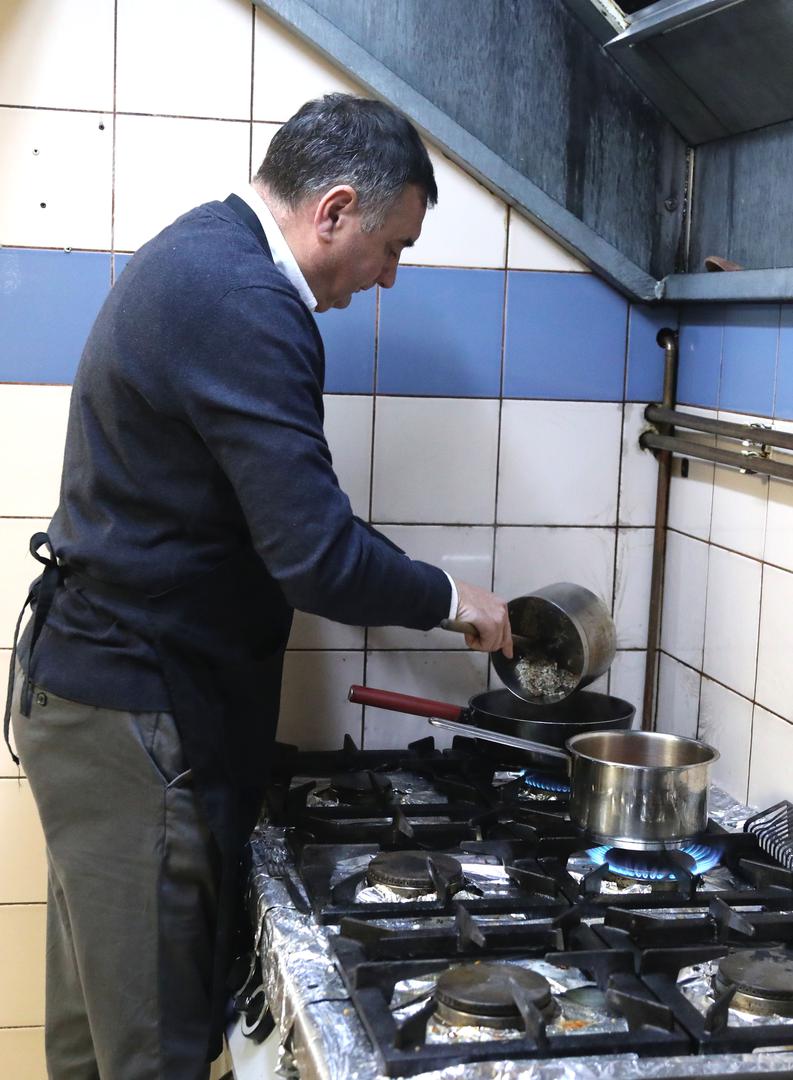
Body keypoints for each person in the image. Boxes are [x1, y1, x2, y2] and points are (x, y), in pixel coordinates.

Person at [5, 94, 512, 1079]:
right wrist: (456, 599)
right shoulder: (243, 301)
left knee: (96, 1044)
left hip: (98, 701)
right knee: (154, 1050)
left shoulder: (207, 255)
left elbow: (284, 514)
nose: (389, 277)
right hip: (132, 719)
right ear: (332, 211)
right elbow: (313, 555)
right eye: (391, 246)